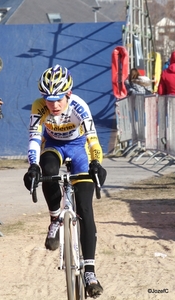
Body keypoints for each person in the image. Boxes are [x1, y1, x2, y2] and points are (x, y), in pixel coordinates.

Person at [23, 64, 107, 298]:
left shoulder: (80, 106)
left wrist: (97, 163)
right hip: (53, 147)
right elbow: (34, 138)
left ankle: (90, 272)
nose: (54, 104)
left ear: (68, 94)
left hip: (79, 148)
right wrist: (33, 166)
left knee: (85, 208)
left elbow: (92, 139)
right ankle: (54, 219)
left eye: (58, 99)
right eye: (49, 99)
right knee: (47, 170)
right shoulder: (40, 107)